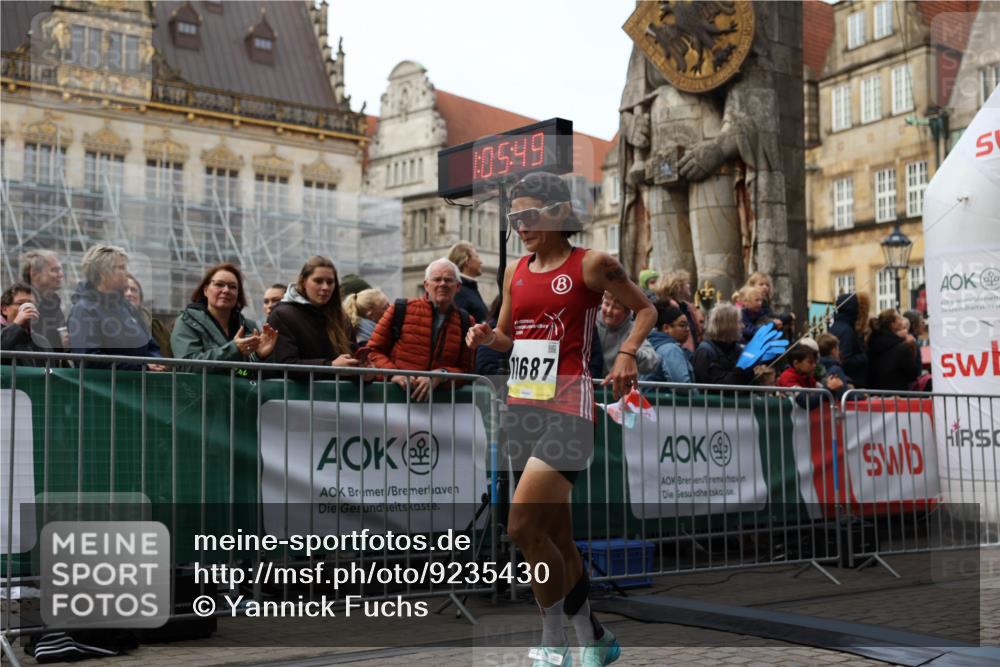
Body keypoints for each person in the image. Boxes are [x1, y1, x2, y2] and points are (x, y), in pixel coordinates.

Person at [466, 171, 654, 666]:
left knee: (522, 528)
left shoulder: (592, 264)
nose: (519, 226)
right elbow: (511, 337)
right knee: (556, 539)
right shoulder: (514, 272)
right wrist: (488, 338)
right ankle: (593, 640)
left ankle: (553, 641)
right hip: (523, 407)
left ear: (555, 213)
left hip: (569, 410)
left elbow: (646, 309)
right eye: (513, 218)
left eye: (527, 215)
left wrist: (627, 353)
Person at [367, 258, 475, 401]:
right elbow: (373, 351)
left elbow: (467, 371)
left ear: (458, 287)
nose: (442, 284)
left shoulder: (466, 321)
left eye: (448, 280)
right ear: (426, 285)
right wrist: (393, 374)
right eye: (437, 279)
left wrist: (442, 375)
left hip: (441, 409)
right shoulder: (400, 309)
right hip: (394, 401)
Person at [66, 245, 165, 371]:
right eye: (121, 268)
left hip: (138, 386)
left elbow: (151, 345)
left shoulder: (128, 308)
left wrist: (155, 361)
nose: (127, 273)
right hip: (105, 388)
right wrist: (141, 368)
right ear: (103, 273)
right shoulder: (84, 310)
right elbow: (89, 360)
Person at [171, 263, 277, 371]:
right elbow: (187, 365)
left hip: (241, 388)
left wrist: (261, 357)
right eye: (219, 284)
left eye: (232, 286)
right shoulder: (187, 321)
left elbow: (250, 375)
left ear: (238, 294)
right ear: (206, 290)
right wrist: (233, 350)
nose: (226, 290)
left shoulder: (249, 326)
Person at [267, 256, 358, 374]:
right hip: (296, 392)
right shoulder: (282, 315)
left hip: (338, 392)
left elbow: (351, 360)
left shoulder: (341, 318)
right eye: (318, 281)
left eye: (330, 282)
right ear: (304, 282)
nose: (325, 287)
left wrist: (364, 374)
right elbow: (285, 364)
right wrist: (330, 366)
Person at [596, 291, 659, 379]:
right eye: (606, 304)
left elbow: (652, 361)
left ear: (627, 312)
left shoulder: (632, 329)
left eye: (615, 308)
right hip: (590, 384)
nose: (609, 311)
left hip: (617, 387)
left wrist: (631, 353)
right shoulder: (592, 324)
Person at [693, 304, 754, 386]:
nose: (743, 326)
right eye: (739, 322)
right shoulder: (705, 351)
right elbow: (719, 384)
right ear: (728, 325)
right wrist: (741, 372)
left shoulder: (736, 349)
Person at [19, 249, 67, 351]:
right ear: (34, 274)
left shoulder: (54, 305)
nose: (61, 274)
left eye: (60, 270)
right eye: (54, 270)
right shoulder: (20, 304)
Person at [866, 309, 921, 393]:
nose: (902, 320)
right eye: (899, 318)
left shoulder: (872, 343)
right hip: (897, 397)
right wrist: (912, 347)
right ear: (893, 324)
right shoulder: (902, 348)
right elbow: (913, 374)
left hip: (876, 396)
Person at [777, 342, 845, 406]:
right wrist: (828, 388)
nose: (814, 365)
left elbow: (823, 394)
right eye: (810, 362)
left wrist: (833, 387)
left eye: (815, 362)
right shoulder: (787, 377)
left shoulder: (808, 376)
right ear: (796, 363)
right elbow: (806, 402)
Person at [641, 302, 693, 384]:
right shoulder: (670, 350)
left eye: (687, 325)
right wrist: (694, 393)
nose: (687, 329)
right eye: (682, 325)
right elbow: (682, 386)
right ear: (666, 328)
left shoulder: (649, 344)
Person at [124, 273, 173, 358]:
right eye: (124, 289)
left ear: (140, 298)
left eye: (133, 290)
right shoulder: (111, 321)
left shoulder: (157, 326)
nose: (129, 293)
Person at [1, 282, 52, 365]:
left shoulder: (42, 341)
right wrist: (17, 324)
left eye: (32, 304)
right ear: (4, 309)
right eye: (20, 303)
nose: (28, 308)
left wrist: (66, 349)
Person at [653, 269, 702, 352]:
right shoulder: (669, 308)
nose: (689, 286)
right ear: (678, 286)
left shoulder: (686, 307)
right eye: (686, 283)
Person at [828, 292, 870, 388]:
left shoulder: (836, 326)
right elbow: (845, 360)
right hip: (851, 381)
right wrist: (865, 356)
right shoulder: (847, 330)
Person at [448, 241, 488, 323]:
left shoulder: (470, 288)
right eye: (477, 257)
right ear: (466, 261)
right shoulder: (458, 292)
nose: (481, 262)